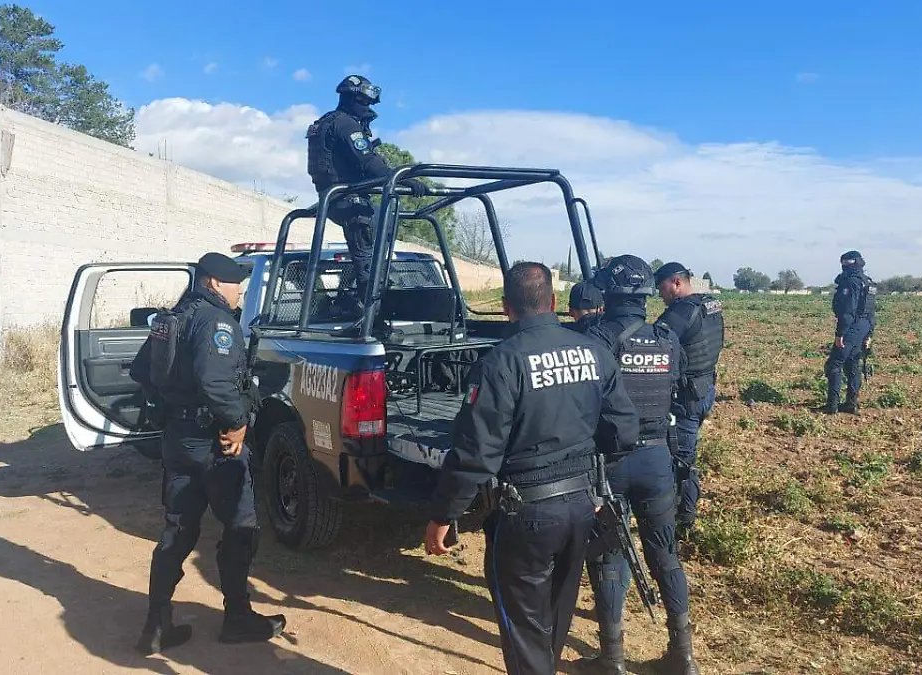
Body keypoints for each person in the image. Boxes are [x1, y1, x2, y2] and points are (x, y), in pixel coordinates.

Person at [423, 262, 639, 675]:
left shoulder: (499, 364)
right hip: (582, 508)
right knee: (555, 618)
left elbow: (474, 453)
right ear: (555, 302)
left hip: (525, 515)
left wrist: (442, 516)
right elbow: (623, 431)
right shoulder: (595, 353)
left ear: (506, 307)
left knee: (524, 631)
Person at [129, 252, 286, 655]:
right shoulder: (216, 321)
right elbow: (215, 381)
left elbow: (141, 371)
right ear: (216, 283)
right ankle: (237, 618)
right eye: (237, 285)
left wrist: (170, 401)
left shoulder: (172, 318)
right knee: (240, 527)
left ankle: (155, 625)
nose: (240, 293)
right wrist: (236, 422)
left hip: (178, 440)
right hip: (215, 443)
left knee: (177, 530)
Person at [580, 255, 700, 675]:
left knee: (609, 556)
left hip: (609, 465)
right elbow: (681, 396)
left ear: (607, 294)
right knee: (666, 553)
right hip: (658, 460)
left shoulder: (594, 339)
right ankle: (682, 657)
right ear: (648, 294)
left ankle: (611, 660)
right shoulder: (668, 338)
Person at [306, 74, 427, 317]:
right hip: (349, 201)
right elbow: (368, 161)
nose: (368, 107)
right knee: (368, 261)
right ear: (350, 98)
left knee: (373, 240)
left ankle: (353, 301)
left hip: (335, 197)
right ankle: (372, 315)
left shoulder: (327, 122)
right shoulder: (346, 125)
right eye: (364, 101)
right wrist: (402, 178)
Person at [654, 262, 724, 536]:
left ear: (676, 283)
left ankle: (683, 521)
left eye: (662, 289)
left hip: (687, 395)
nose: (661, 296)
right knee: (686, 453)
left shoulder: (681, 311)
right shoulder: (710, 305)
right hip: (705, 387)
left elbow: (657, 340)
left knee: (681, 459)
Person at [824, 250, 877, 414]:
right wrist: (869, 333)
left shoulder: (851, 282)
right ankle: (850, 404)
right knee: (852, 363)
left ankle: (832, 407)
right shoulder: (867, 282)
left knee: (834, 364)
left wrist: (840, 334)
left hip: (852, 326)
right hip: (865, 325)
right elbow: (871, 311)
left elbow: (848, 311)